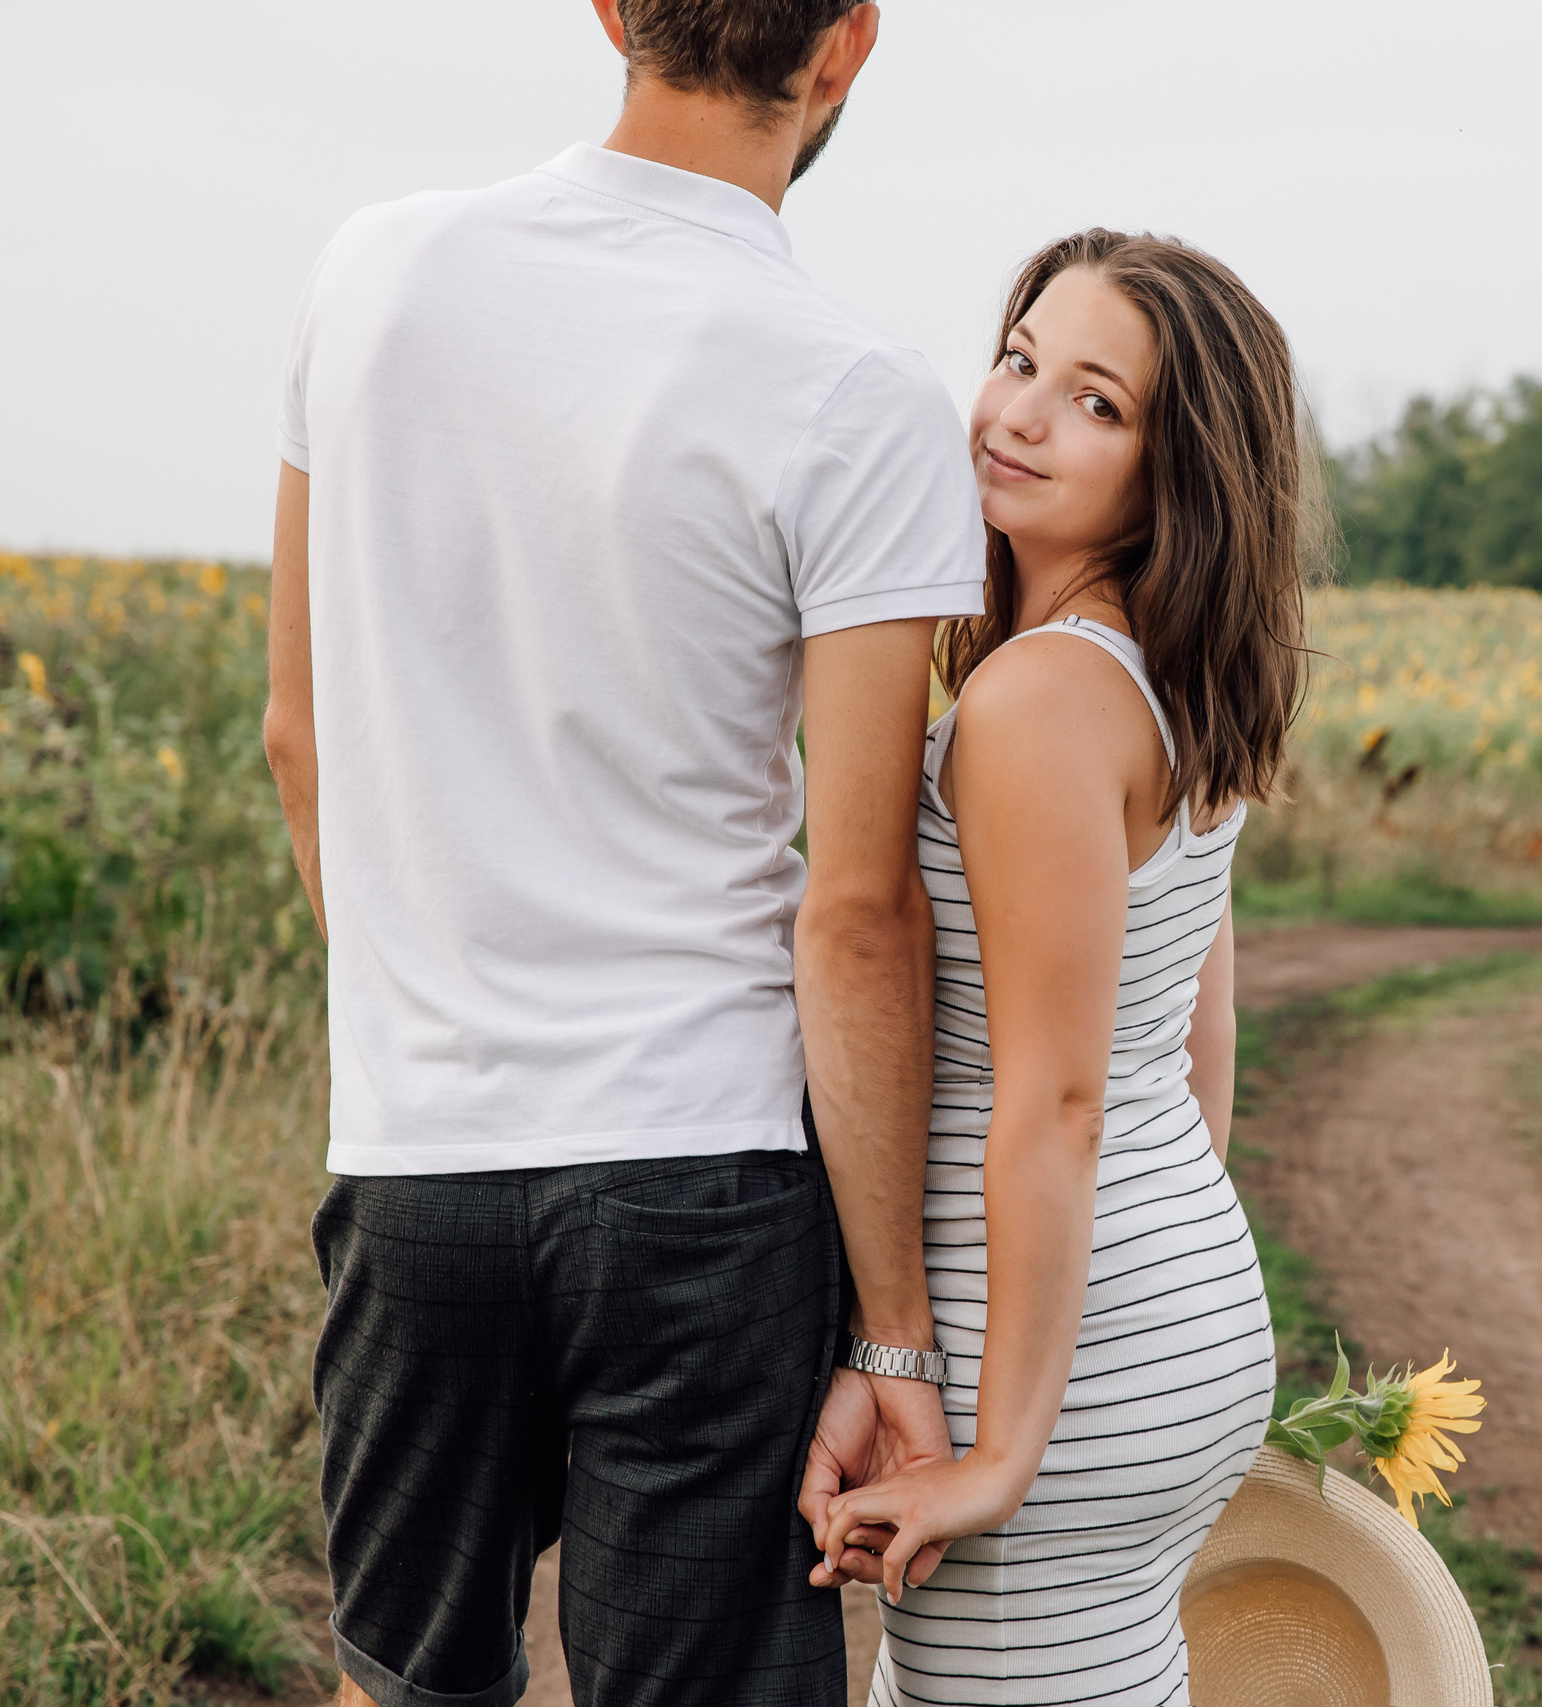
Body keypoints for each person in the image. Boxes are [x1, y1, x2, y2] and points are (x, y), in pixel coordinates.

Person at [260, 3, 982, 1702]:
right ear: (848, 47)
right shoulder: (861, 394)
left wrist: (430, 1024)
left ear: (608, 9)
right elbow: (860, 911)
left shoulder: (373, 274)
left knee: (407, 1682)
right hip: (702, 1176)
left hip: (418, 1154)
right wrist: (893, 1332)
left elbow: (299, 737)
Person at [809, 230, 1310, 1706]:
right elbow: (1194, 1029)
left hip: (1043, 1370)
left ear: (1180, 472)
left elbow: (1058, 1103)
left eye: (1096, 402)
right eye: (1020, 360)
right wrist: (1146, 1296)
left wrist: (1007, 1453)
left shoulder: (1037, 704)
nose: (1018, 412)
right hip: (1165, 1305)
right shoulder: (1170, 676)